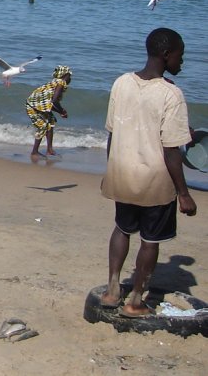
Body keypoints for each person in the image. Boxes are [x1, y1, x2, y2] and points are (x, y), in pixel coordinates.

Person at [100, 28, 197, 317]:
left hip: (124, 173)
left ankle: (112, 290)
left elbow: (112, 134)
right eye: (181, 55)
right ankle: (136, 300)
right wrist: (184, 194)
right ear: (167, 55)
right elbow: (171, 151)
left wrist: (112, 169)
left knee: (122, 228)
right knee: (150, 240)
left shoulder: (121, 83)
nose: (182, 62)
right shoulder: (171, 94)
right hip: (155, 180)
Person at [25, 65, 72, 156]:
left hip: (38, 106)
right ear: (65, 75)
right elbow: (54, 101)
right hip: (32, 106)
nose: (70, 78)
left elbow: (49, 103)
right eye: (69, 76)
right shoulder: (60, 83)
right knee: (42, 126)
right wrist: (62, 111)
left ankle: (49, 150)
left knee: (50, 122)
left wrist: (61, 112)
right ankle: (34, 152)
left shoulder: (55, 82)